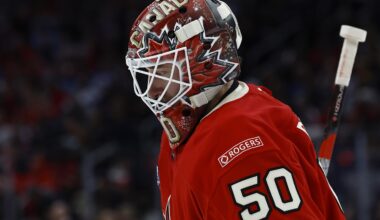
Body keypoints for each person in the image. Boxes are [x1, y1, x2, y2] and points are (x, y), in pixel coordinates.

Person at [125, 0, 345, 219]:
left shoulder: (241, 146)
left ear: (204, 59)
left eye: (162, 72)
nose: (152, 91)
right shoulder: (182, 136)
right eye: (149, 75)